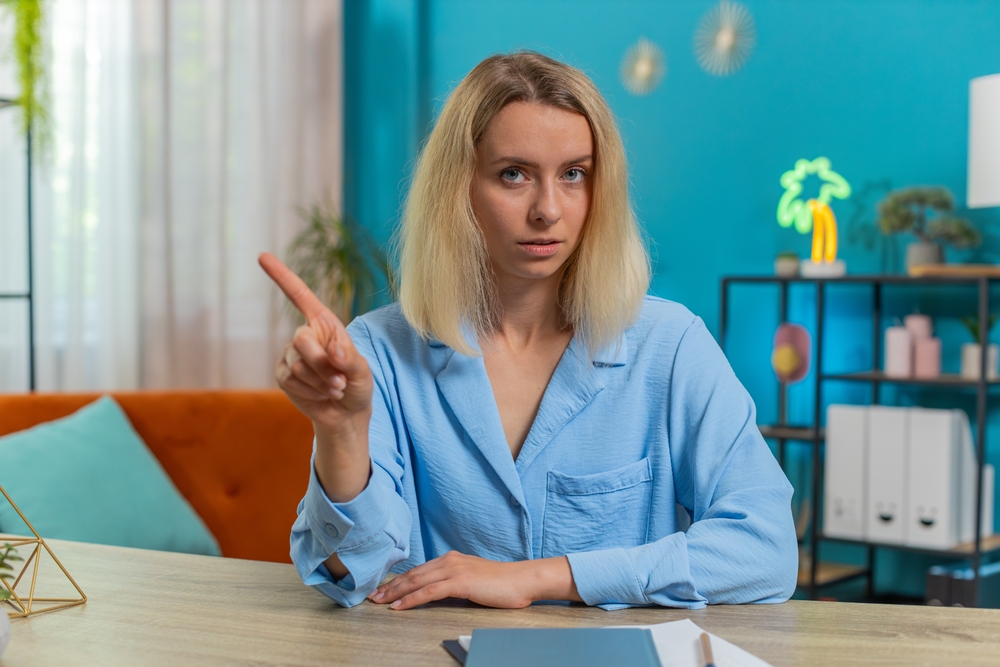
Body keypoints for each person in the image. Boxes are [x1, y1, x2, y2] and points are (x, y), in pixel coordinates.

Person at [259, 51, 797, 611]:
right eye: (513, 174)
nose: (547, 210)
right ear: (458, 187)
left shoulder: (671, 344)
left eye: (573, 175)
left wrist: (547, 577)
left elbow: (766, 550)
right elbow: (354, 574)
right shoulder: (381, 350)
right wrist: (342, 430)